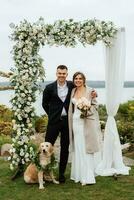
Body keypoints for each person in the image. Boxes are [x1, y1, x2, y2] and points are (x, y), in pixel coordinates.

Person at [42, 66, 97, 183]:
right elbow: (44, 104)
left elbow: (84, 87)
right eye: (59, 73)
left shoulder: (72, 85)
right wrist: (52, 114)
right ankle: (45, 172)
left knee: (65, 148)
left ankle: (61, 173)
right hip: (53, 122)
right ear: (56, 73)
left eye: (64, 73)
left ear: (67, 74)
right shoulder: (49, 88)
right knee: (47, 147)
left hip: (68, 122)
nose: (61, 75)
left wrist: (93, 93)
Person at [68, 72, 102, 185]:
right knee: (78, 147)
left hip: (86, 122)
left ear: (84, 80)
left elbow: (95, 105)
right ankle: (78, 174)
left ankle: (88, 176)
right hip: (75, 122)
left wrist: (87, 108)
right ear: (73, 80)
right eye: (76, 78)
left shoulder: (90, 90)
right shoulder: (73, 91)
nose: (78, 80)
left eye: (80, 78)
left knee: (86, 147)